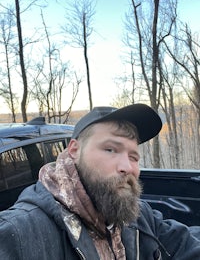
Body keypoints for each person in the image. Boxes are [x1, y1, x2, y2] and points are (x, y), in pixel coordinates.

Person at [0, 103, 199, 260]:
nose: (127, 167)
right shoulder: (19, 235)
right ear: (74, 151)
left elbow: (186, 243)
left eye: (133, 157)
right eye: (110, 149)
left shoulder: (139, 217)